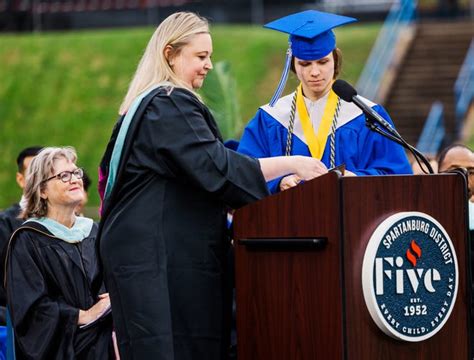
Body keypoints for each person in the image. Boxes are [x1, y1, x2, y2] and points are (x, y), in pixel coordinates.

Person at [98, 11, 327, 359]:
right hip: (161, 265)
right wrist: (293, 163)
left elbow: (202, 169)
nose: (208, 65)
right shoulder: (168, 103)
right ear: (170, 54)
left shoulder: (145, 106)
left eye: (210, 57)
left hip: (150, 259)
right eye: (200, 56)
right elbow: (217, 169)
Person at [237, 10, 413, 194]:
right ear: (293, 65)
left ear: (335, 61)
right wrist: (279, 182)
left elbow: (397, 176)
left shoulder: (365, 115)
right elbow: (245, 175)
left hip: (352, 218)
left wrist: (356, 179)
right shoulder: (271, 118)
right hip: (289, 219)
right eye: (305, 64)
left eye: (323, 62)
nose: (315, 72)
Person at [5, 147, 113, 359]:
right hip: (65, 347)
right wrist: (82, 315)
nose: (74, 179)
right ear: (42, 191)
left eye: (76, 172)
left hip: (106, 338)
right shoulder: (27, 239)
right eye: (63, 175)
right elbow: (31, 309)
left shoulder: (95, 231)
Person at [0, 146, 43, 325]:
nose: (41, 179)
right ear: (20, 179)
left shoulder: (77, 226)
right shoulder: (4, 225)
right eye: (34, 173)